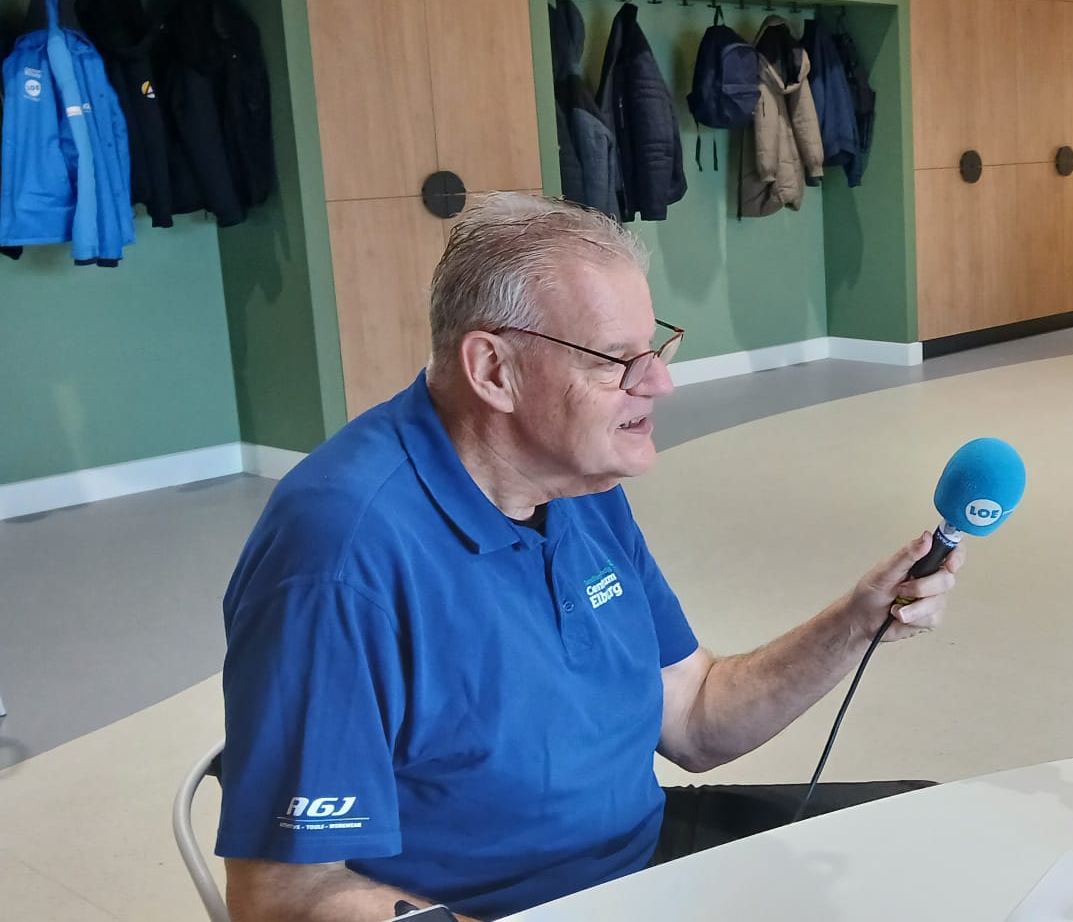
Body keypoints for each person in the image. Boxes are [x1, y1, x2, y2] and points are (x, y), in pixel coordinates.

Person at [215, 194, 965, 922]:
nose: (660, 382)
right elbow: (284, 898)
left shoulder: (575, 480)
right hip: (501, 906)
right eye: (615, 359)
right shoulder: (338, 557)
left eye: (655, 348)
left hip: (638, 859)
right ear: (493, 371)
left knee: (939, 832)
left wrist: (856, 621)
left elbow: (696, 718)